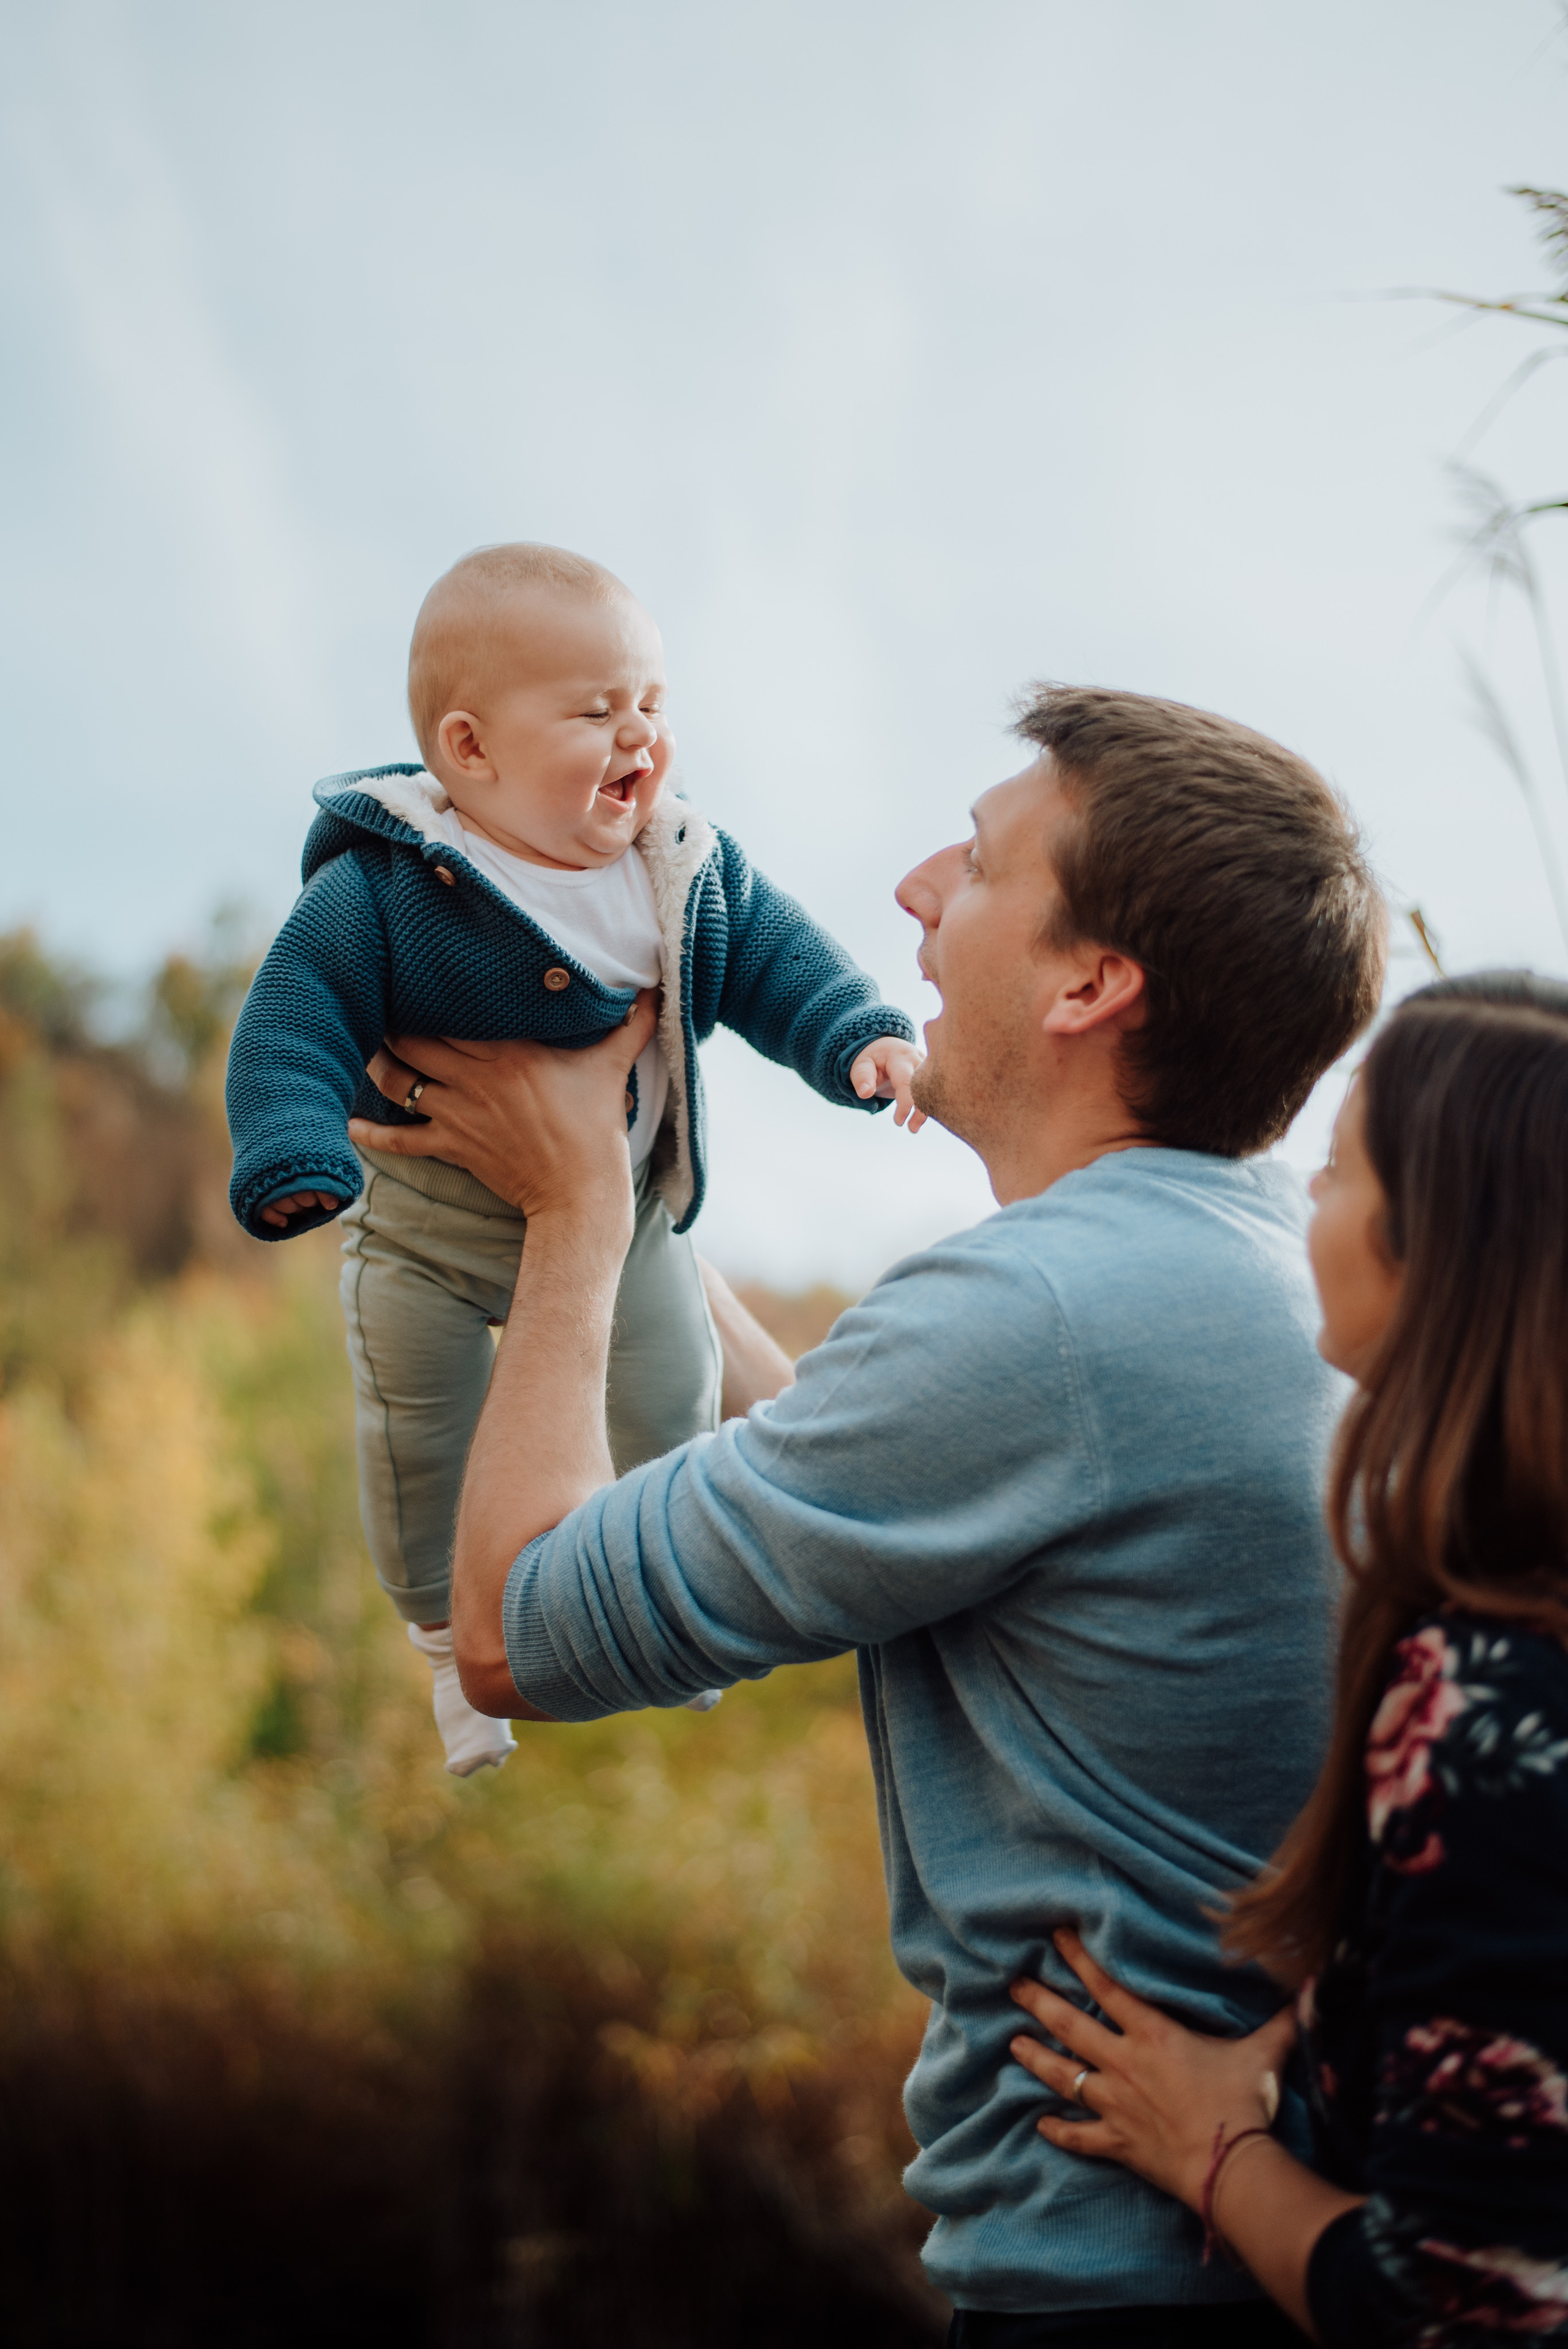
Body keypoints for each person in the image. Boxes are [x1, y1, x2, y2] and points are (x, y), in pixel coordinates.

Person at [349, 685, 1387, 2335]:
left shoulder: (1039, 1316)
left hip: (1121, 2283)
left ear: (1090, 983)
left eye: (976, 863)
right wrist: (641, 1181)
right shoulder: (1246, 1266)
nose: (911, 888)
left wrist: (572, 1214)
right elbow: (854, 1445)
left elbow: (507, 1627)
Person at [224, 542, 919, 1774]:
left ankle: (669, 1620)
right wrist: (288, 1146)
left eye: (651, 703)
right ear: (470, 750)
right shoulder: (388, 884)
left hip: (626, 1221)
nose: (640, 735)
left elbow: (781, 962)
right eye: (596, 712)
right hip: (422, 1230)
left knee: (669, 1399)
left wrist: (856, 1036)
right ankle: (449, 1647)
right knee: (414, 1421)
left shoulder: (683, 866)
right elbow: (294, 1018)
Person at [1006, 974, 1568, 2345]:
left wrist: (1203, 2144)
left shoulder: (1481, 1707)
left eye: (1332, 1171)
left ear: (1437, 1246)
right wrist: (1322, 2039)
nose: (1300, 1205)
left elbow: (1459, 2308)